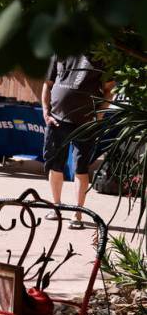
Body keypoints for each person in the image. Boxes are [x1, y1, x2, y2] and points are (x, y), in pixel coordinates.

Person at [41, 53, 114, 229]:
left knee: (81, 168)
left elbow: (109, 90)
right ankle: (56, 207)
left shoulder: (101, 54)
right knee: (55, 164)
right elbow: (48, 84)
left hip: (85, 123)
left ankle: (78, 214)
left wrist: (99, 115)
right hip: (57, 119)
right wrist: (45, 111)